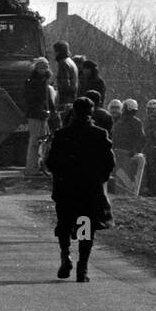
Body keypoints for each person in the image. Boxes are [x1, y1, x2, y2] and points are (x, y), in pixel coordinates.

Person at [45, 97, 115, 282]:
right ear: (91, 113)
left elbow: (50, 162)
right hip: (89, 191)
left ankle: (65, 254)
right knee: (85, 228)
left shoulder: (62, 135)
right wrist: (100, 179)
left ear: (74, 112)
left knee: (65, 224)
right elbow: (109, 163)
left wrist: (60, 175)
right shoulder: (100, 134)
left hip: (66, 189)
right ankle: (81, 268)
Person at [23, 57, 56, 175]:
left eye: (46, 67)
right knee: (35, 142)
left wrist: (51, 111)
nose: (44, 69)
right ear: (36, 68)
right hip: (35, 115)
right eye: (42, 67)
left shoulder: (43, 81)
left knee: (41, 142)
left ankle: (37, 166)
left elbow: (47, 99)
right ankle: (31, 168)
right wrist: (42, 111)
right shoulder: (34, 82)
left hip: (43, 114)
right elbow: (32, 100)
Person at [52, 41, 79, 123]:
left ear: (58, 51)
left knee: (65, 123)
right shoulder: (71, 62)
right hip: (72, 97)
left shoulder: (63, 63)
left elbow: (65, 84)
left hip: (65, 100)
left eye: (54, 51)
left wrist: (57, 93)